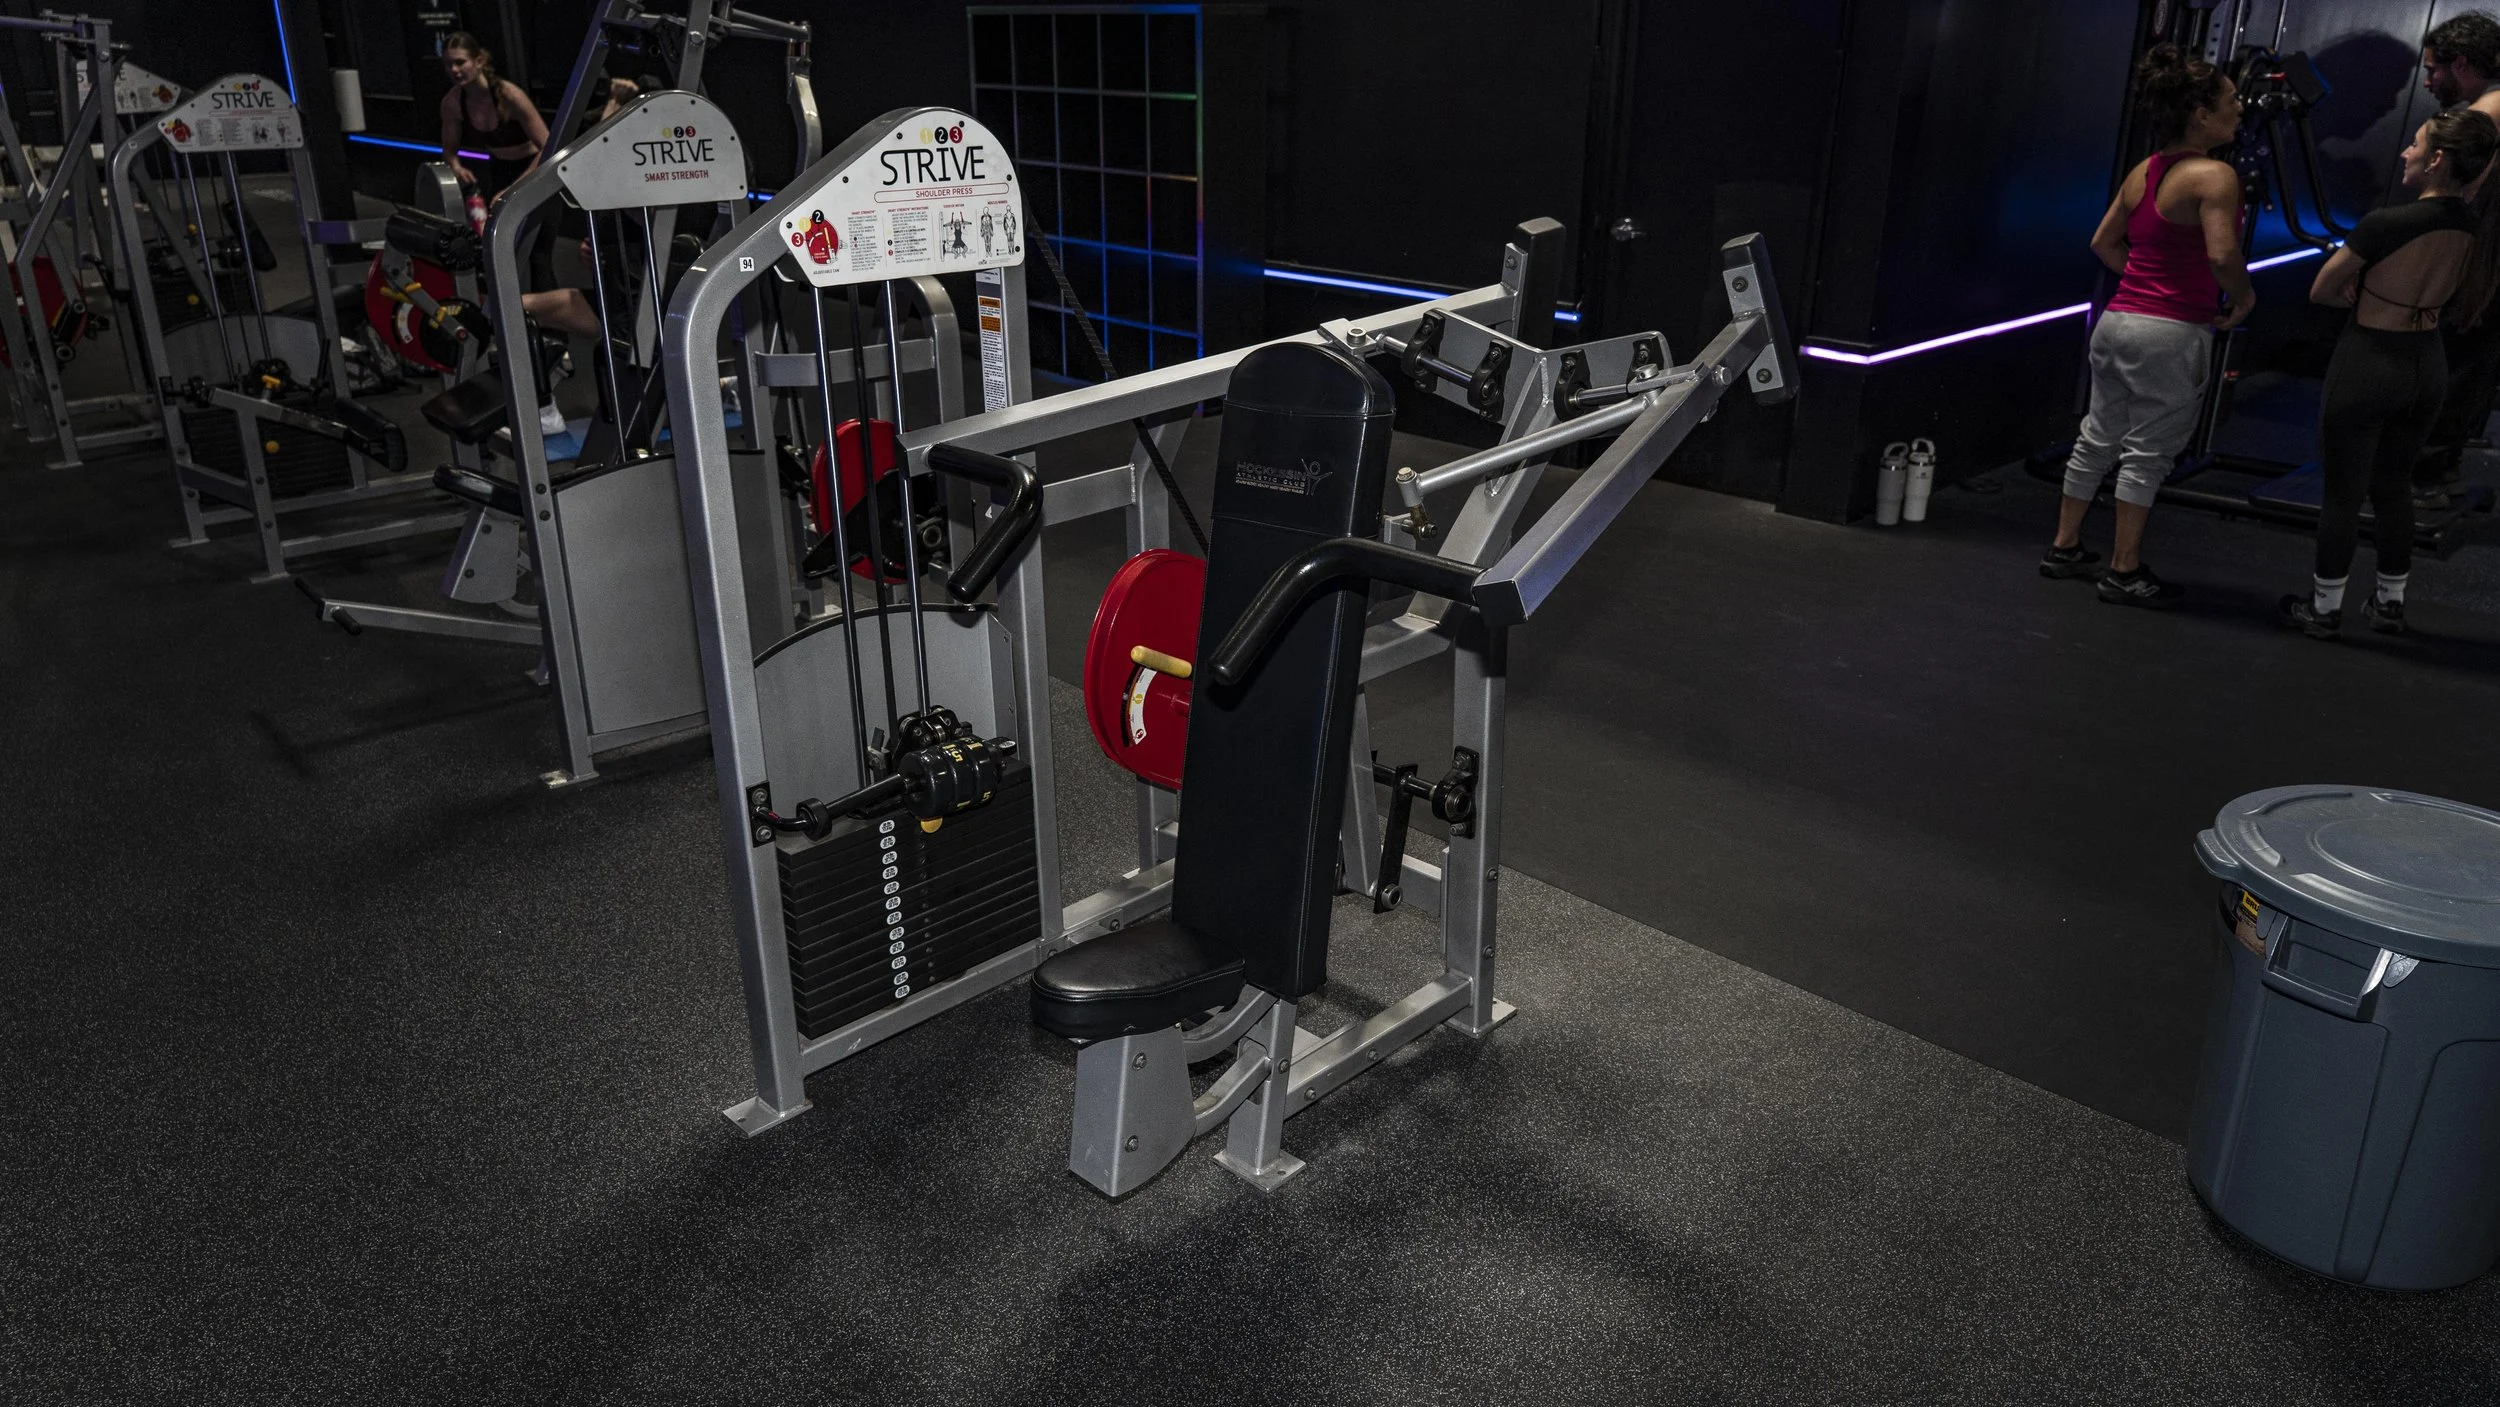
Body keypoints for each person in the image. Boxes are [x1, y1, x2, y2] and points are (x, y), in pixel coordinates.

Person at [2042, 45, 2254, 608]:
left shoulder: (2146, 170)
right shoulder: (2216, 175)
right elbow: (2221, 254)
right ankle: (2124, 570)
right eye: (2232, 100)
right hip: (2171, 332)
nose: (2240, 109)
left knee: (2097, 437)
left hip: (2117, 323)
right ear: (2201, 115)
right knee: (2148, 454)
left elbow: (2103, 243)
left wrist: (2146, 282)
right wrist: (2244, 295)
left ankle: (2064, 547)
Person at [2281, 109, 2500, 639]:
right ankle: (2390, 605)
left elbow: (2322, 290)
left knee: (2343, 493)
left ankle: (2324, 609)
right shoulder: (2473, 227)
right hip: (2427, 365)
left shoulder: (2385, 224)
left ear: (2437, 160)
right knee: (2395, 486)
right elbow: (2465, 300)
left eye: (2415, 144)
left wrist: (2358, 290)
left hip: (2369, 361)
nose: (2406, 152)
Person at [2412, 13, 2500, 507]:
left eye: (2433, 70)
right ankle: (2439, 473)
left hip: (2481, 265)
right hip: (2488, 264)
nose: (2428, 81)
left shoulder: (2483, 119)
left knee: (2456, 363)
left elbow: (2460, 198)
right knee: (2472, 366)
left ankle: (2427, 477)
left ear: (2461, 64)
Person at [437, 33, 549, 204]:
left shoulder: (509, 95)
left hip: (533, 168)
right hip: (499, 169)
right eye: (448, 64)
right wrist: (457, 168)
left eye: (460, 62)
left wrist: (514, 190)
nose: (454, 70)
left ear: (479, 61)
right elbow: (449, 152)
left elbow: (549, 146)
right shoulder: (452, 103)